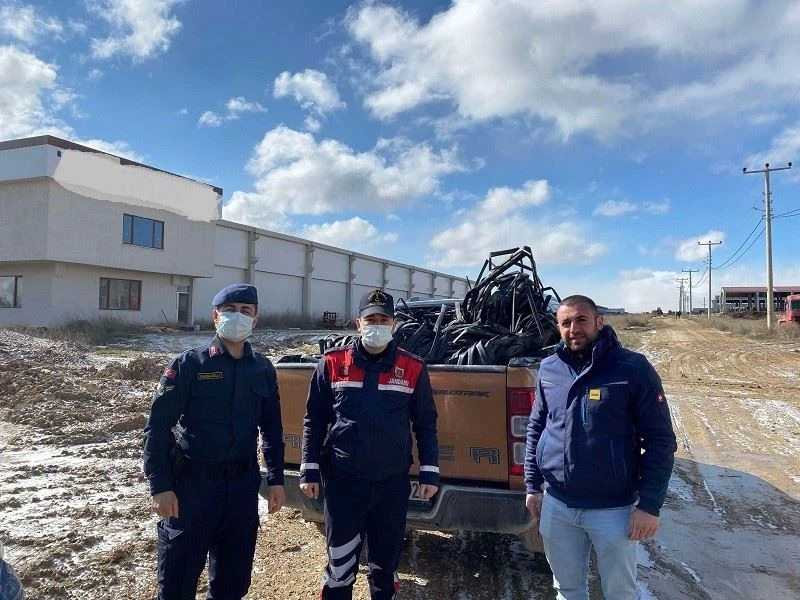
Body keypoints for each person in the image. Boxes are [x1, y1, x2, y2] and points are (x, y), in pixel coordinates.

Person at [524, 295, 676, 600]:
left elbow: (660, 440)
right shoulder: (549, 369)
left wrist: (648, 505)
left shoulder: (631, 368)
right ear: (558, 327)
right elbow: (537, 427)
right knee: (567, 590)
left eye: (581, 320)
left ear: (599, 322)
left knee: (619, 592)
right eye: (565, 323)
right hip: (557, 504)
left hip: (612, 510)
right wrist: (532, 485)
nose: (573, 329)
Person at [143, 283, 285, 600]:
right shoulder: (188, 365)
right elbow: (157, 426)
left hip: (241, 492)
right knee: (177, 585)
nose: (238, 316)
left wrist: (275, 479)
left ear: (255, 319)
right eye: (230, 310)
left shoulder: (262, 369)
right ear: (215, 316)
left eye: (245, 311)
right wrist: (160, 485)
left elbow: (272, 428)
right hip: (192, 490)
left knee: (232, 585)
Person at [299, 289, 439, 599]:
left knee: (384, 568)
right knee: (340, 566)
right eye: (370, 319)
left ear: (394, 324)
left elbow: (426, 423)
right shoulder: (333, 363)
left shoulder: (413, 367)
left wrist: (430, 472)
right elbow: (314, 419)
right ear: (358, 324)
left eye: (383, 319)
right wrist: (308, 469)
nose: (376, 325)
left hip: (391, 484)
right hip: (343, 483)